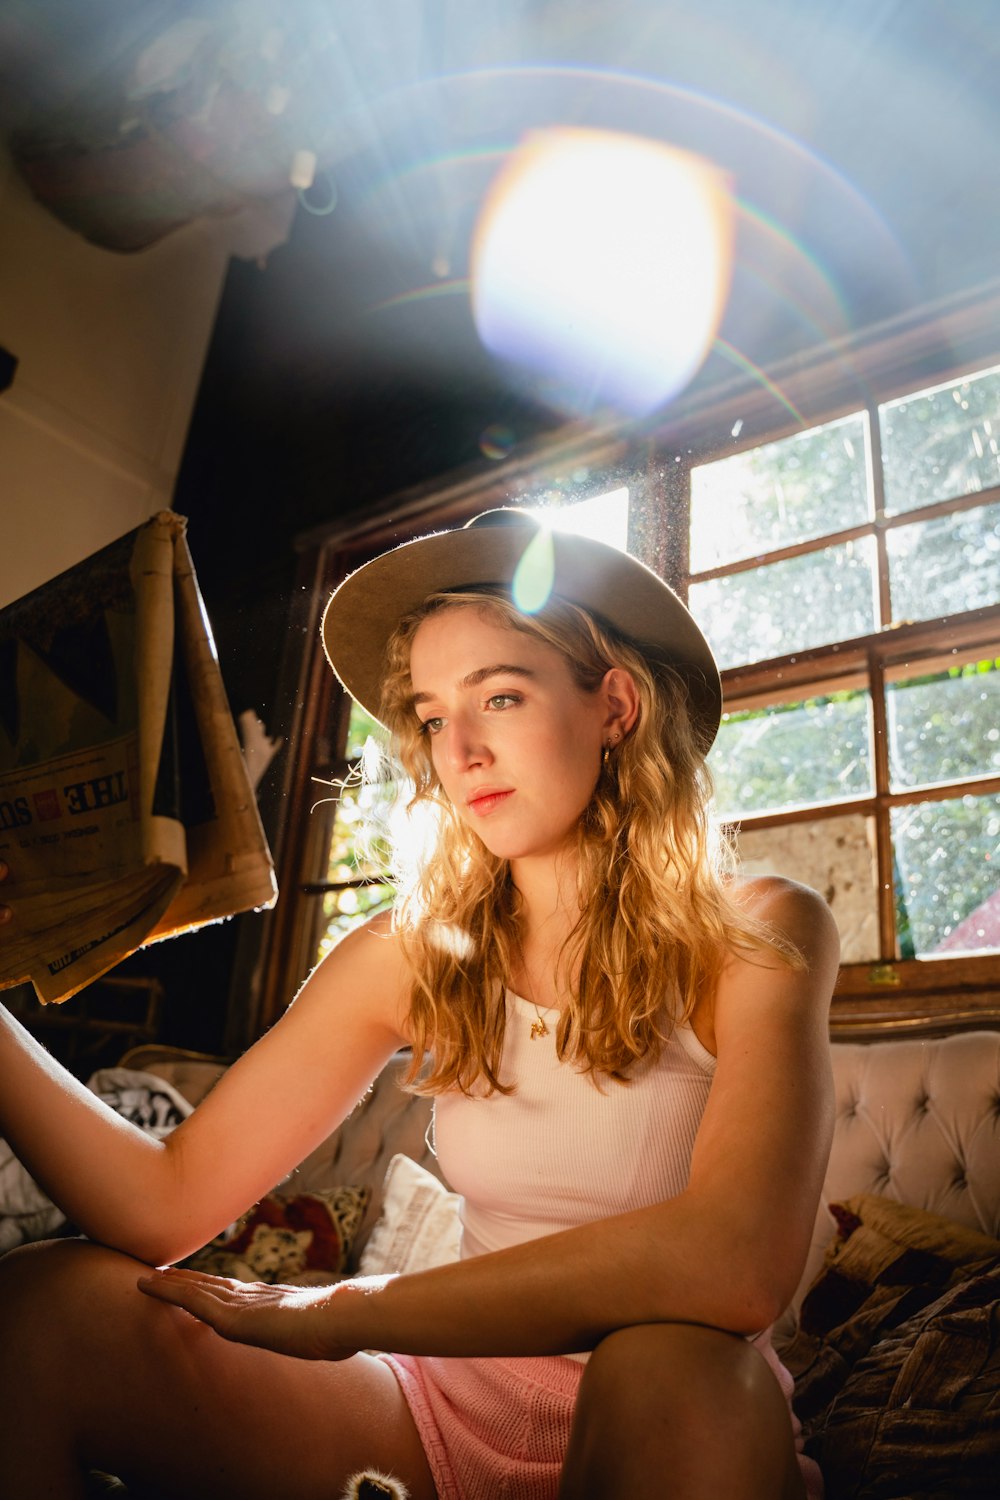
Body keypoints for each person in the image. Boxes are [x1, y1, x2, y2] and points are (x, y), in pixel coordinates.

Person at [0, 508, 839, 1500]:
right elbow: (162, 1203)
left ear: (613, 705)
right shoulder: (405, 955)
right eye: (437, 717)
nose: (462, 750)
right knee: (43, 1308)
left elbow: (733, 1266)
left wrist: (344, 1311)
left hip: (676, 1424)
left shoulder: (761, 929)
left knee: (673, 1364)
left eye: (502, 696)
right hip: (433, 1420)